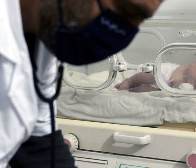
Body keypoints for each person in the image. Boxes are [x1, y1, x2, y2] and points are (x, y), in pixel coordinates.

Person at [0, 0, 163, 168]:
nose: (122, 33)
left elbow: (40, 145)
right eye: (125, 10)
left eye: (140, 19)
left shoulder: (41, 42)